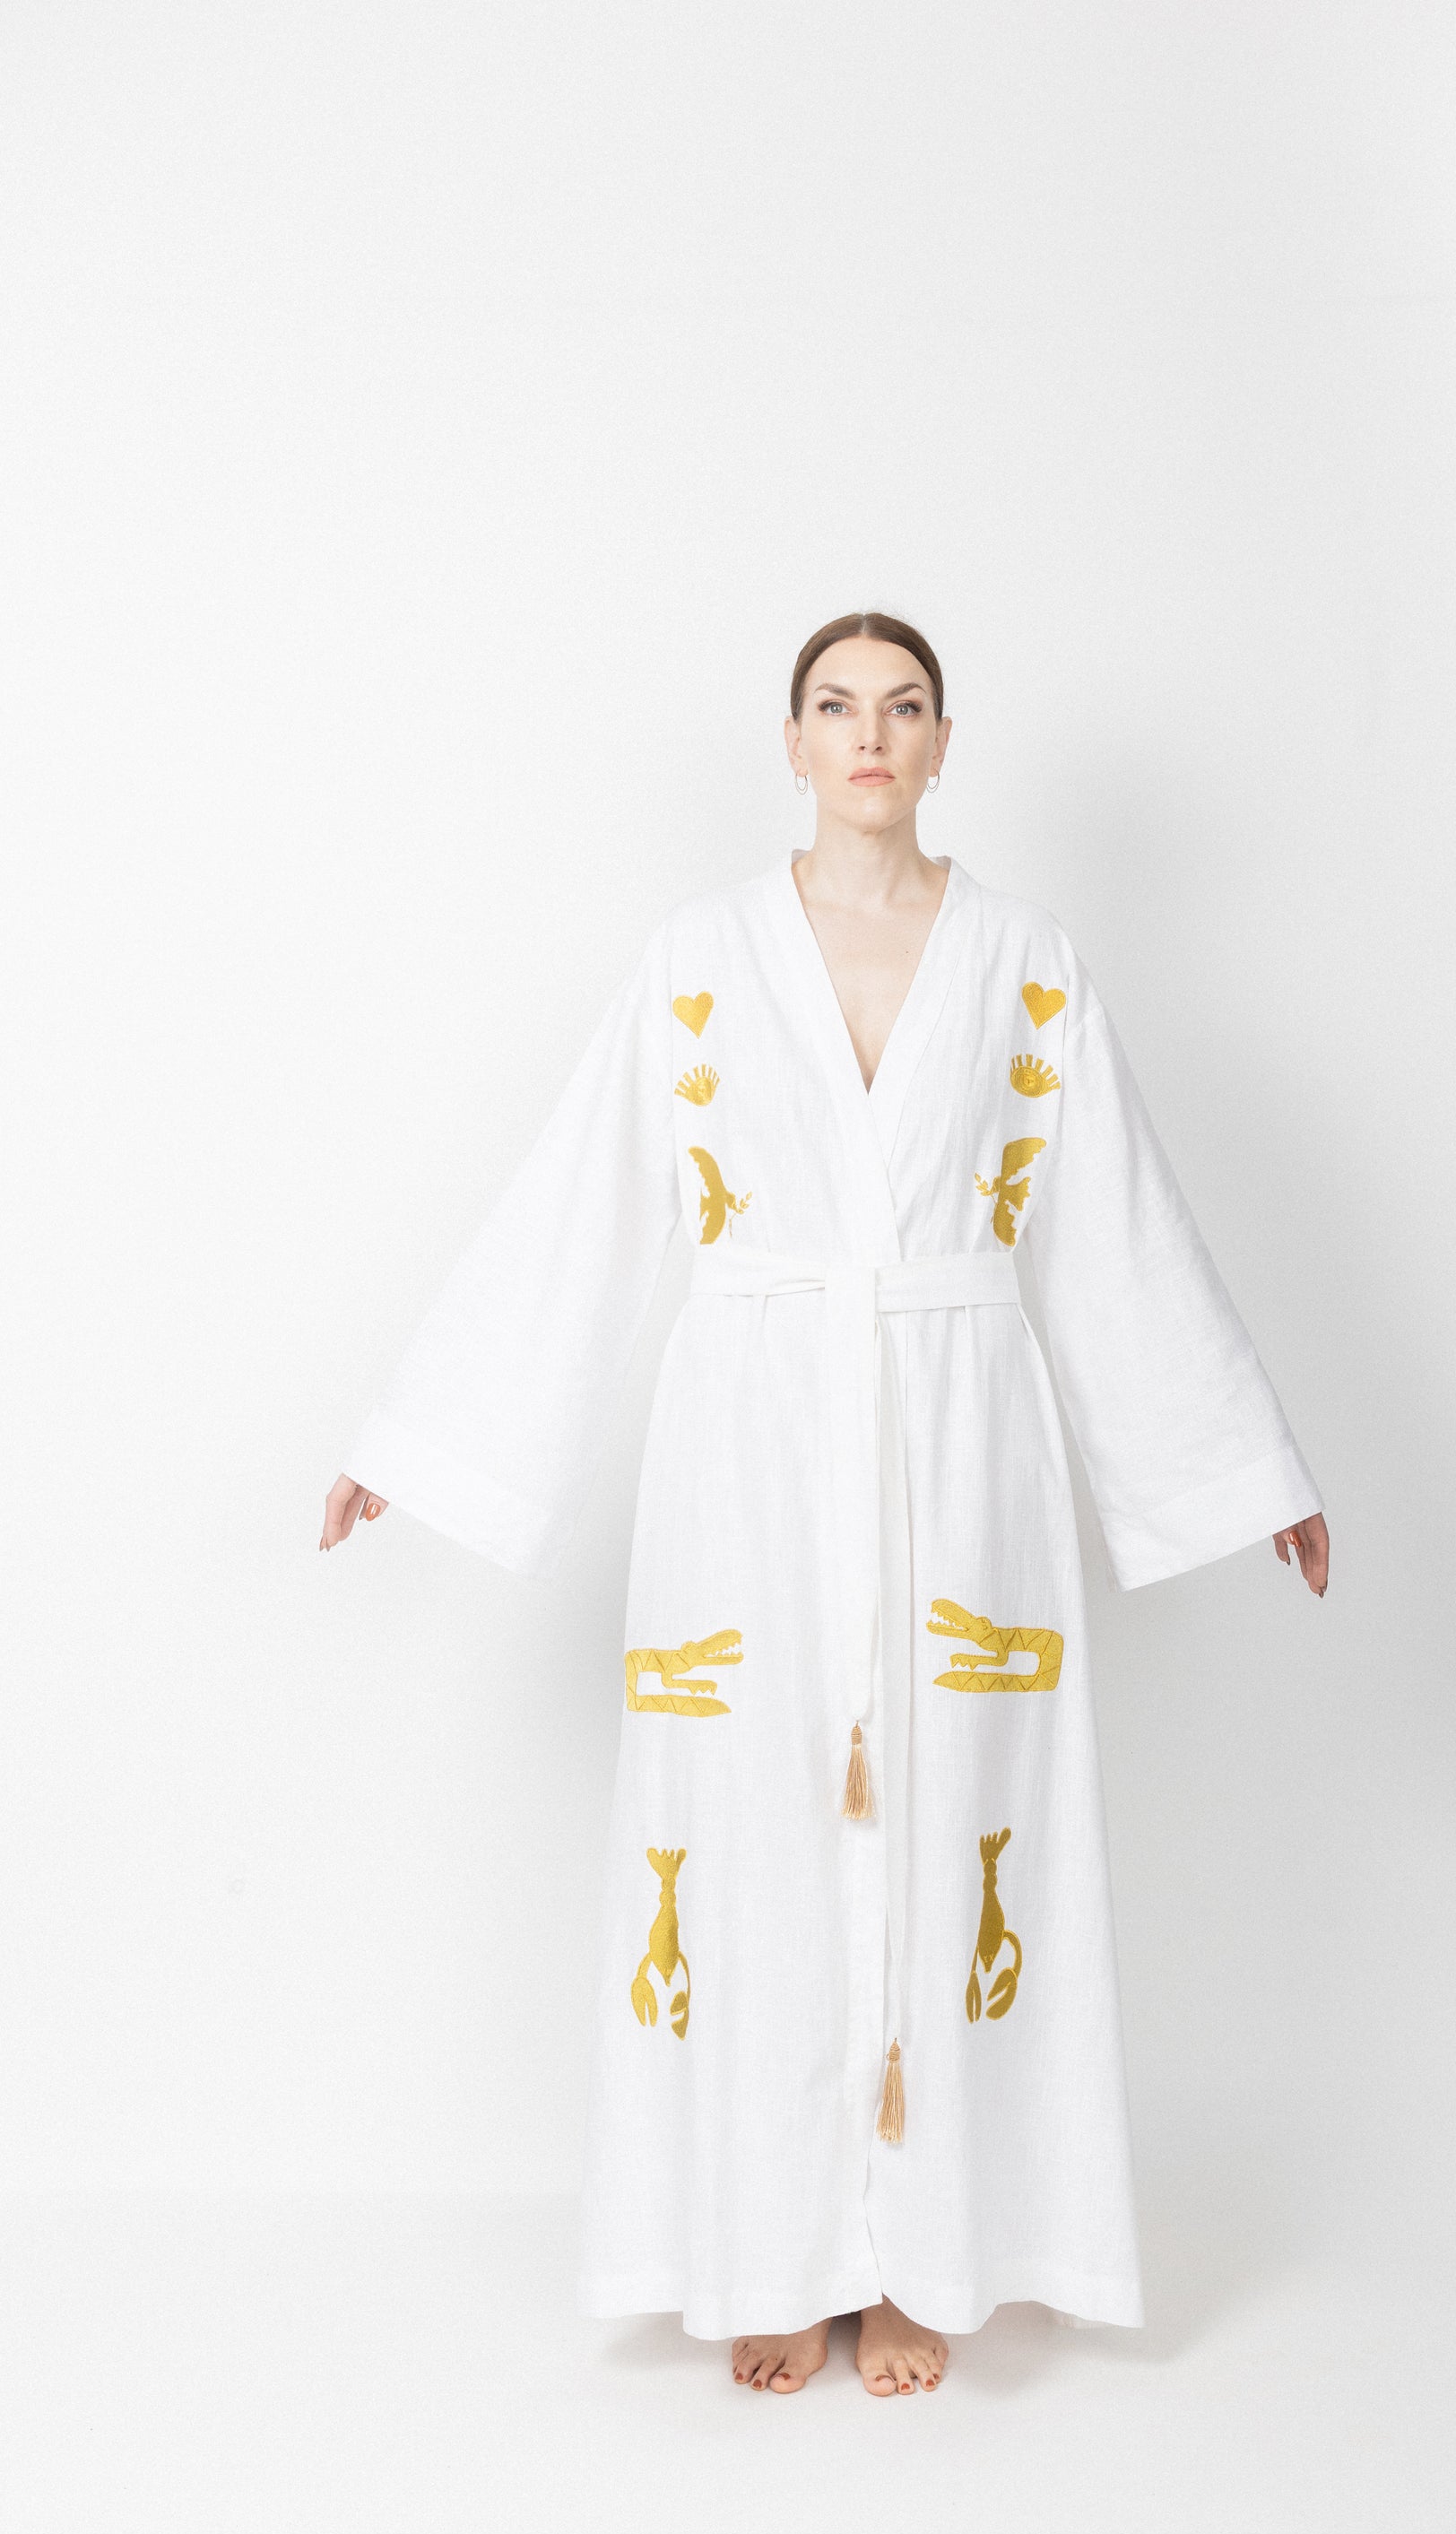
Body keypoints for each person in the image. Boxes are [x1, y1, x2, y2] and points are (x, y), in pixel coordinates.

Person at [324, 611, 1329, 2399]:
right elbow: (581, 1200)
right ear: (789, 740)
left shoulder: (1024, 961)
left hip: (959, 1423)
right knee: (749, 1826)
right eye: (836, 705)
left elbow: (1113, 1222)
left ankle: (922, 2259)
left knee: (958, 1816)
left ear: (943, 741)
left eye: (904, 705)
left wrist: (1239, 1469)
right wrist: (420, 1439)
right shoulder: (698, 958)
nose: (871, 733)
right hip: (751, 1431)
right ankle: (774, 2252)